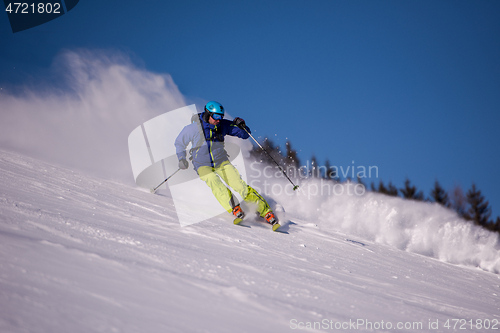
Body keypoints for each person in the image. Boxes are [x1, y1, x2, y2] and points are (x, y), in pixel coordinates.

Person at [174, 101, 279, 229]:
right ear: (208, 115)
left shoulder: (222, 125)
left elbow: (245, 135)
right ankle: (235, 208)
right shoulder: (193, 128)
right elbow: (179, 143)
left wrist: (242, 126)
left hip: (221, 161)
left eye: (221, 117)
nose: (219, 120)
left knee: (239, 184)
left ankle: (266, 212)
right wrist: (181, 158)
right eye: (217, 116)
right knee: (214, 182)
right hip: (202, 164)